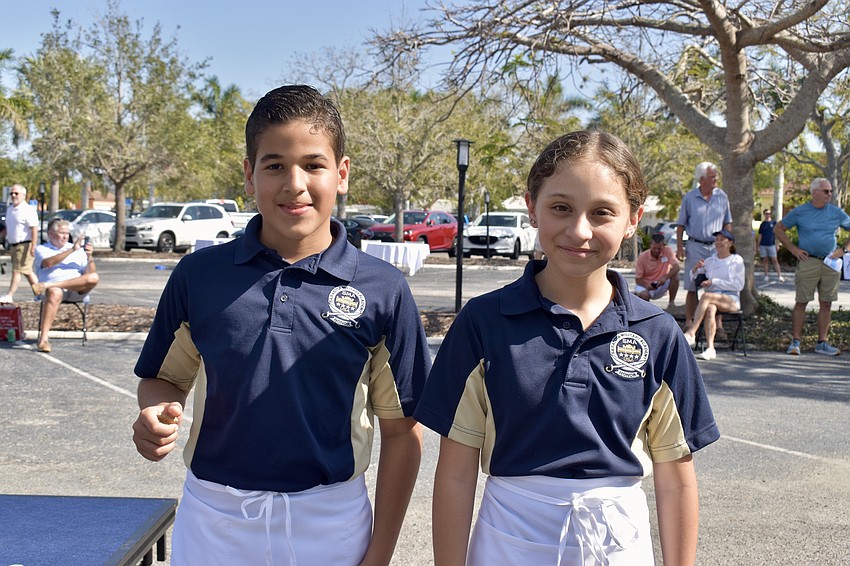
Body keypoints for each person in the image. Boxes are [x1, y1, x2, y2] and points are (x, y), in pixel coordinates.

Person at [131, 85, 431, 565]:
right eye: (274, 165)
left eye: (313, 165)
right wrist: (155, 412)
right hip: (214, 519)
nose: (294, 183)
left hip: (332, 524)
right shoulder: (200, 276)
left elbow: (402, 431)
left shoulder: (383, 288)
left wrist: (379, 555)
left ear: (342, 173)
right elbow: (164, 378)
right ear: (249, 176)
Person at [415, 131, 719, 565]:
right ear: (531, 207)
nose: (579, 230)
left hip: (619, 547)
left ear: (633, 218)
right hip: (508, 543)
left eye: (602, 213)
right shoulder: (483, 323)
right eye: (561, 207)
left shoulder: (658, 334)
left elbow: (675, 479)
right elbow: (457, 472)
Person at [774, 178, 850, 356]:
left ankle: (822, 342)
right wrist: (793, 249)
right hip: (808, 262)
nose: (829, 194)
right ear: (814, 192)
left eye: (830, 191)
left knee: (826, 303)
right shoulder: (800, 212)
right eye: (825, 191)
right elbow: (779, 228)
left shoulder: (836, 212)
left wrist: (844, 249)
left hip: (830, 262)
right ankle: (795, 342)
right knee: (801, 302)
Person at [675, 162, 732, 326]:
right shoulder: (690, 197)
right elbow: (680, 226)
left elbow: (728, 223)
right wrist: (680, 247)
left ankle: (717, 324)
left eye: (715, 177)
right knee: (692, 286)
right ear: (702, 179)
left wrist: (727, 245)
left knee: (717, 285)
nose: (715, 180)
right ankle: (689, 322)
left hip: (717, 247)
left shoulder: (722, 196)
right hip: (695, 246)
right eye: (712, 177)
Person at [32, 219, 99, 353]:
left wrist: (89, 257)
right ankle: (44, 339)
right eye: (61, 233)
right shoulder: (42, 249)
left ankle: (48, 284)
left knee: (94, 277)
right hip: (56, 292)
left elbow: (89, 274)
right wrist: (71, 250)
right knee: (54, 292)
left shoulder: (79, 251)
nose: (65, 236)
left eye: (67, 233)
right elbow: (48, 263)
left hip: (77, 289)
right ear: (51, 234)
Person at [681, 230, 745, 361]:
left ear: (730, 243)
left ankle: (692, 332)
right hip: (712, 298)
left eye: (722, 239)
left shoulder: (736, 260)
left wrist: (714, 282)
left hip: (730, 299)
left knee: (706, 297)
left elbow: (738, 285)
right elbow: (694, 279)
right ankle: (710, 348)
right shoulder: (710, 261)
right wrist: (694, 270)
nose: (718, 242)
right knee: (710, 308)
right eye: (717, 240)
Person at [0, 184, 40, 304]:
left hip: (25, 245)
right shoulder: (10, 209)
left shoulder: (28, 210)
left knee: (17, 271)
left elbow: (34, 229)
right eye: (11, 193)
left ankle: (9, 295)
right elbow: (8, 228)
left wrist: (33, 246)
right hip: (14, 245)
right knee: (27, 272)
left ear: (23, 195)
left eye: (16, 193)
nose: (13, 196)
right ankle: (40, 294)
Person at [634, 232, 680, 308]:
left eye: (659, 249)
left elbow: (677, 267)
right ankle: (645, 309)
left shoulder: (667, 251)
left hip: (661, 283)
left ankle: (671, 303)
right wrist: (647, 285)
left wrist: (665, 277)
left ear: (663, 246)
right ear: (650, 245)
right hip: (646, 285)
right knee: (644, 295)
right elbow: (638, 279)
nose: (656, 251)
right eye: (654, 248)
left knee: (676, 276)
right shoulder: (642, 257)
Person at [756, 208, 783, 282]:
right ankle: (766, 275)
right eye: (766, 214)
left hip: (771, 245)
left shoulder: (774, 223)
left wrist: (777, 244)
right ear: (764, 215)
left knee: (775, 260)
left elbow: (777, 234)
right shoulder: (762, 224)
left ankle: (779, 275)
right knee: (765, 260)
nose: (768, 215)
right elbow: (760, 235)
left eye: (769, 213)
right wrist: (758, 245)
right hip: (763, 245)